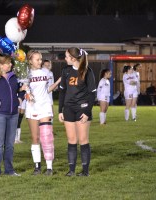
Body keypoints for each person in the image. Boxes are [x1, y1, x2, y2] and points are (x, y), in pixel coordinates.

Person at [58, 47, 96, 177]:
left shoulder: (87, 71)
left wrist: (86, 112)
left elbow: (92, 94)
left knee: (83, 140)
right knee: (71, 140)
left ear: (73, 58)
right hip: (68, 109)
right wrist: (60, 110)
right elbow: (62, 91)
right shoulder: (65, 71)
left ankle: (85, 172)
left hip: (82, 109)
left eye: (67, 56)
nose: (65, 58)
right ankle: (72, 171)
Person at [25, 50, 60, 176]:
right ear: (30, 61)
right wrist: (25, 92)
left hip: (44, 106)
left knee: (46, 137)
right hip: (32, 107)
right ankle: (37, 166)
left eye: (41, 59)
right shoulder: (25, 73)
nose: (40, 61)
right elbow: (22, 90)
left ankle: (49, 167)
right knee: (35, 138)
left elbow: (48, 89)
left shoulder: (46, 72)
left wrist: (57, 82)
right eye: (37, 59)